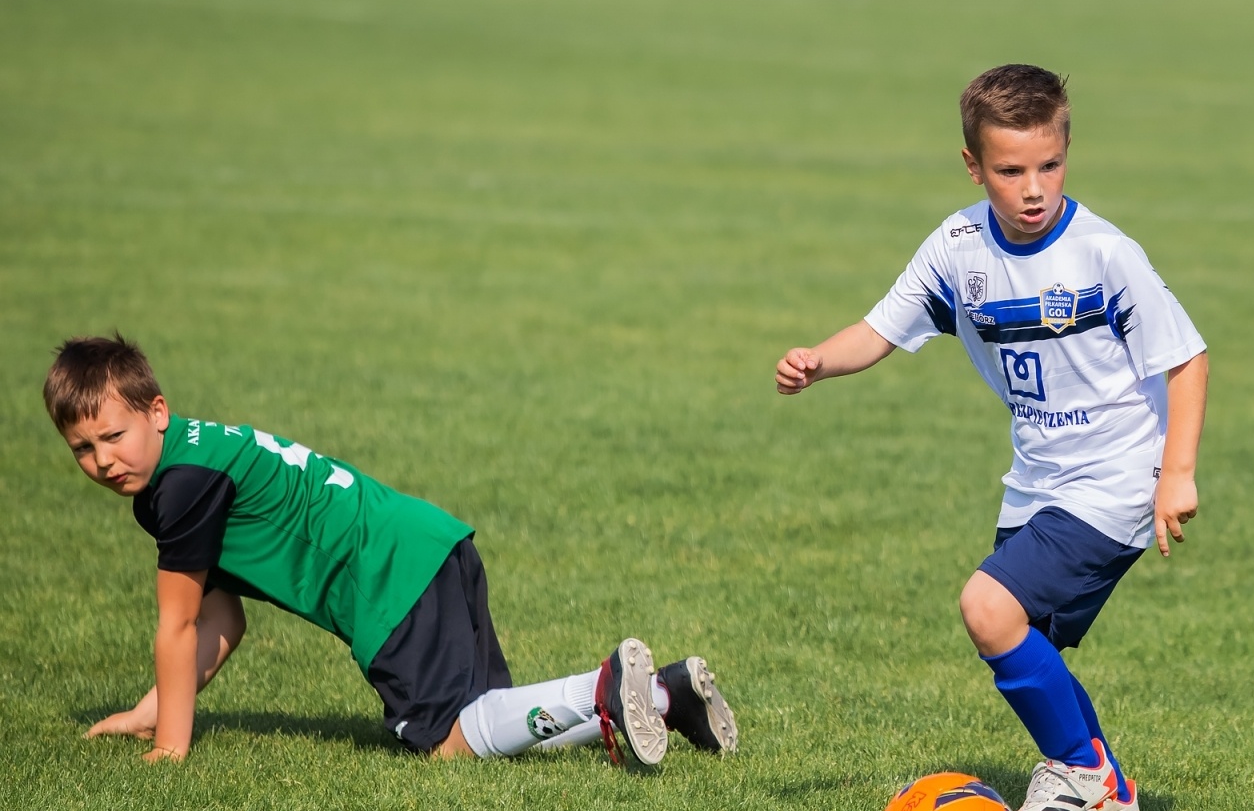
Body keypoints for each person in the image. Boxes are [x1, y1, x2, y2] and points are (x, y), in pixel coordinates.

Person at [775, 64, 1207, 811]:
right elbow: (879, 329)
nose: (1034, 188)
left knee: (987, 606)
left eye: (1050, 165)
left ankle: (1076, 770)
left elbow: (1187, 358)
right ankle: (1104, 787)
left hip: (1116, 478)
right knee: (1024, 636)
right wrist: (818, 360)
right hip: (1038, 480)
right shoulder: (958, 247)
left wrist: (1175, 473)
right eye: (1011, 171)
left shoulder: (1106, 255)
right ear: (974, 167)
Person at [44, 334, 737, 766]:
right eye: (83, 448)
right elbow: (224, 619)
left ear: (156, 412)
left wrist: (171, 747)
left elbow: (180, 624)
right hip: (428, 542)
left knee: (444, 744)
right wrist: (153, 708)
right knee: (488, 730)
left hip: (389, 579)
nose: (103, 460)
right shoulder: (197, 451)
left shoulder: (180, 487)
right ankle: (663, 696)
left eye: (114, 436)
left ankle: (602, 686)